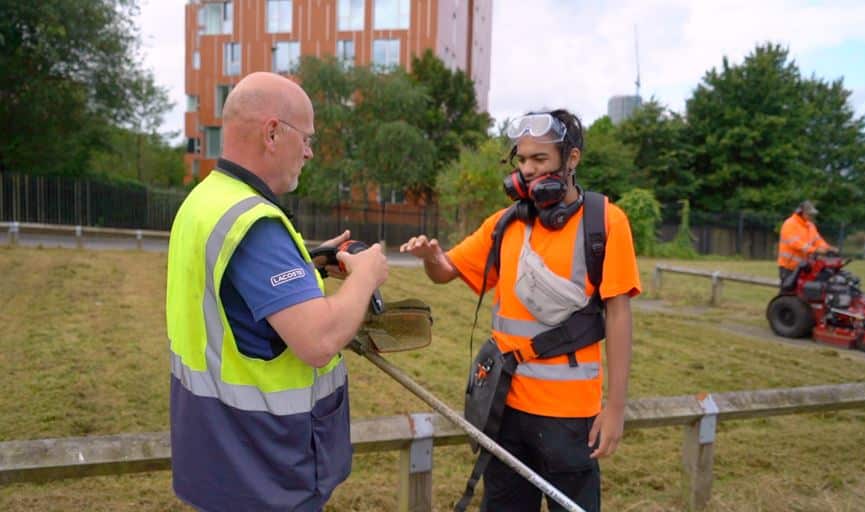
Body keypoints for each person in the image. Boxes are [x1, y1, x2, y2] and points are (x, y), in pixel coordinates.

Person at [166, 72, 388, 512]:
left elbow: (233, 297)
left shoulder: (206, 200)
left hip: (216, 458)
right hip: (267, 471)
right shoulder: (255, 224)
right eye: (306, 138)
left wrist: (307, 265)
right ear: (272, 132)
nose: (308, 152)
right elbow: (318, 340)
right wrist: (367, 274)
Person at [401, 110, 640, 512]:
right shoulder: (505, 224)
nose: (528, 170)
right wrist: (431, 257)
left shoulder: (605, 223)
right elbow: (447, 272)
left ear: (572, 159)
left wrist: (614, 408)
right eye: (522, 160)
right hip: (505, 409)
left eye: (539, 160)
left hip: (571, 419)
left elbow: (619, 316)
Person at [777, 200, 838, 282]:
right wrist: (815, 250)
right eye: (809, 214)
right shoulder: (790, 224)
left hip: (804, 266)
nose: (811, 216)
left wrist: (828, 248)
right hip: (789, 268)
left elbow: (818, 241)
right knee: (788, 293)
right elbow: (796, 244)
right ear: (800, 213)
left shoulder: (810, 226)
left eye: (812, 214)